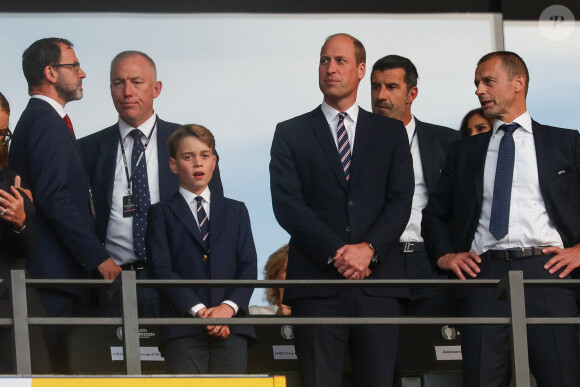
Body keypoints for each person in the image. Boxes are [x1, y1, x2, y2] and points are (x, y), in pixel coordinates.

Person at [421, 51, 580, 386]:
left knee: (562, 377)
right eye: (477, 83)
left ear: (518, 83)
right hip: (484, 275)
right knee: (481, 379)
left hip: (547, 272)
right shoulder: (464, 152)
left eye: (488, 81)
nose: (479, 90)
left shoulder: (565, 142)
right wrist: (446, 255)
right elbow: (434, 215)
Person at [270, 33, 414, 387]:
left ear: (361, 69)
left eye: (340, 61)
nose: (330, 69)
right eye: (324, 60)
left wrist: (369, 250)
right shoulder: (290, 133)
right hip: (317, 289)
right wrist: (338, 254)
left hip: (377, 287)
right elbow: (287, 205)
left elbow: (401, 201)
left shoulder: (391, 132)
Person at [79, 51, 223, 317]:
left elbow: (216, 218)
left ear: (156, 88)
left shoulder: (190, 143)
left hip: (181, 286)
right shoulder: (87, 149)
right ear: (110, 89)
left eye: (136, 81)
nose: (127, 92)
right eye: (118, 83)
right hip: (114, 285)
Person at [8, 38, 120, 372]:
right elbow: (55, 198)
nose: (82, 73)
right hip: (54, 281)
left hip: (56, 278)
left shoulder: (44, 120)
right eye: (74, 66)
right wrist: (98, 256)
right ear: (51, 73)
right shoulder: (45, 122)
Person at [147, 124, 256, 374]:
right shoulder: (160, 213)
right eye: (188, 156)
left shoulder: (236, 210)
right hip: (182, 328)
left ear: (214, 162)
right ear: (173, 165)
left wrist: (227, 309)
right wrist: (201, 312)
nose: (198, 163)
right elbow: (161, 269)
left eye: (205, 155)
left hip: (232, 328)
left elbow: (248, 266)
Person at [370, 55, 458, 316]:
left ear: (412, 93)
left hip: (430, 260)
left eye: (391, 87)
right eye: (375, 87)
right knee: (384, 353)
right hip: (379, 263)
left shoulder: (447, 141)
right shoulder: (356, 145)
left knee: (438, 350)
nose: (381, 95)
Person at [249, 244, 291, 316]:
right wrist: (278, 321)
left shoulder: (316, 316)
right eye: (288, 270)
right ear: (274, 277)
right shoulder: (255, 313)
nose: (297, 275)